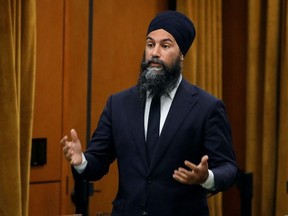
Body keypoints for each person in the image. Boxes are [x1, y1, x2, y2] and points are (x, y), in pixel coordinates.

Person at [61, 10, 238, 216]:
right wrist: (81, 161)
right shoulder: (118, 104)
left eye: (165, 45)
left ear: (182, 55)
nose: (155, 53)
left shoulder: (206, 107)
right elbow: (98, 162)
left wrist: (206, 177)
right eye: (150, 44)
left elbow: (228, 167)